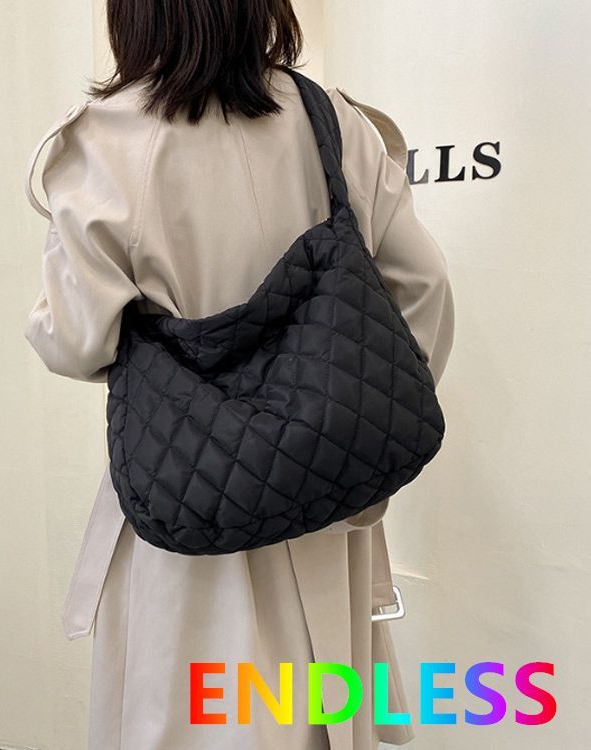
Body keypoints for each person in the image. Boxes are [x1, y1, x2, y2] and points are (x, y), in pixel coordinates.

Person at [23, 1, 455, 747]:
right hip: (328, 505)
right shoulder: (331, 121)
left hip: (190, 501)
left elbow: (76, 341)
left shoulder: (103, 143)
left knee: (196, 715)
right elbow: (423, 287)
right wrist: (349, 422)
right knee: (320, 709)